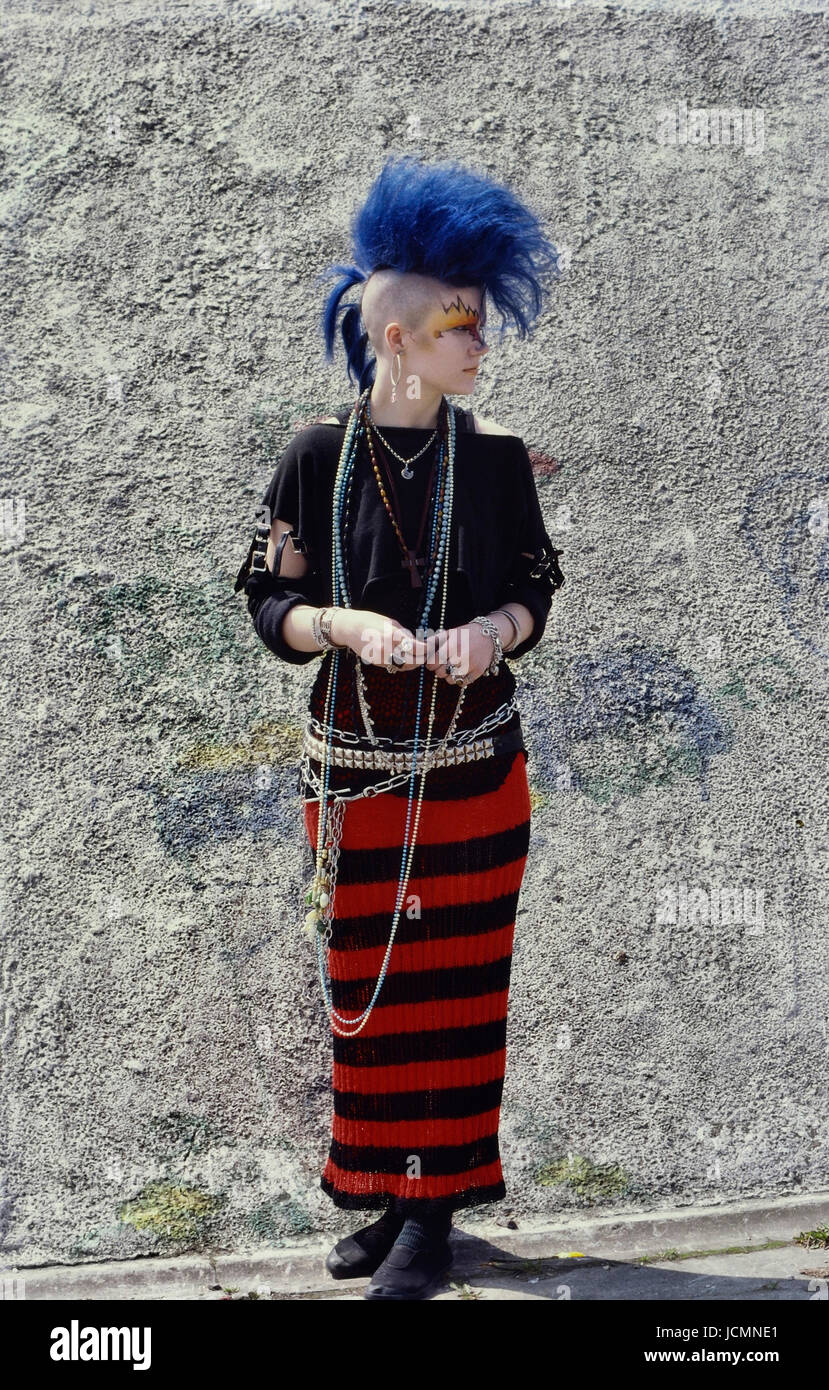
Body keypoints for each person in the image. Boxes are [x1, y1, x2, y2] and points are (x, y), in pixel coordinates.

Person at [234, 155, 565, 1300]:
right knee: (365, 996)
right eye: (459, 327)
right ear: (397, 340)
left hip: (474, 775)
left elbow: (539, 585)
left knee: (458, 996)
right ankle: (385, 1189)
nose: (478, 347)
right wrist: (338, 624)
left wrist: (497, 629)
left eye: (478, 328)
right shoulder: (314, 457)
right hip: (358, 780)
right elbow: (263, 601)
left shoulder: (496, 460)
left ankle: (434, 1213)